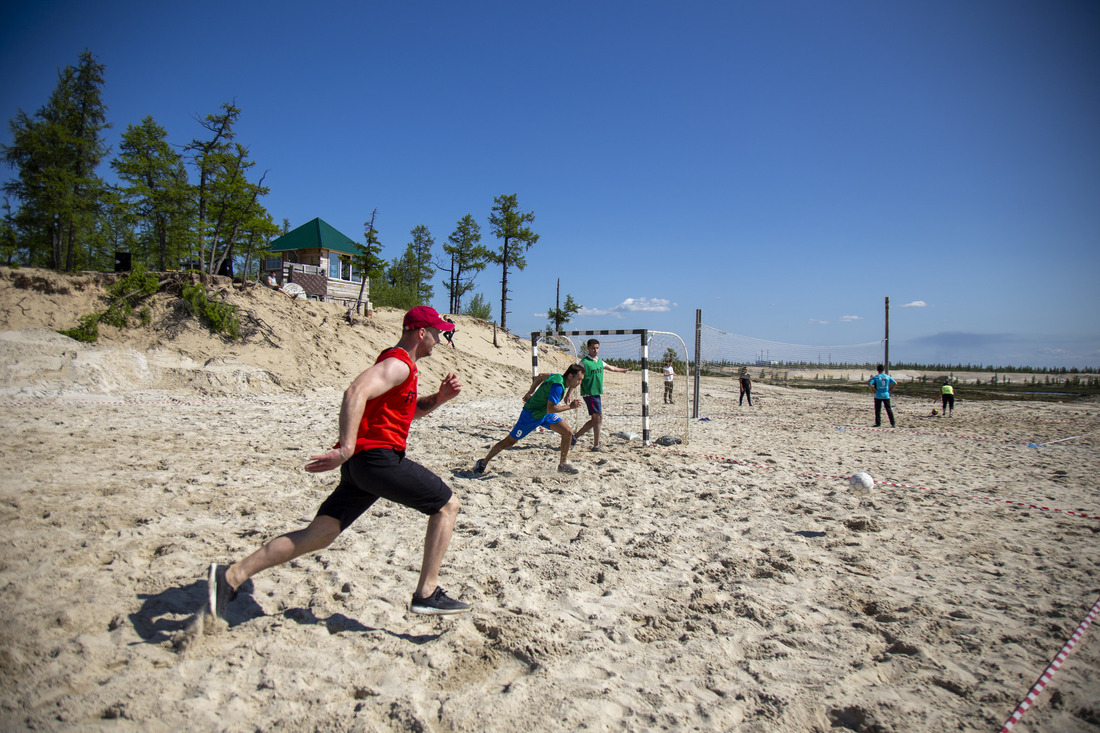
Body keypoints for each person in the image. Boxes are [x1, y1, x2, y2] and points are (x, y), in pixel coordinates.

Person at [207, 306, 471, 621]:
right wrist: (345, 447)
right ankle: (427, 593)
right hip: (376, 460)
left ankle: (230, 576)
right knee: (446, 506)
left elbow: (408, 411)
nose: (440, 341)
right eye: (438, 334)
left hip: (363, 466)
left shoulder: (405, 368)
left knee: (320, 534)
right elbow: (354, 391)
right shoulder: (398, 363)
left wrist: (439, 398)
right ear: (421, 332)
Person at [472, 365, 586, 475]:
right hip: (531, 415)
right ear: (570, 376)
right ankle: (483, 462)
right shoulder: (558, 386)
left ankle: (562, 465)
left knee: (568, 433)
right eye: (579, 379)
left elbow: (540, 376)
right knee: (509, 442)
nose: (579, 383)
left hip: (544, 414)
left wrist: (530, 391)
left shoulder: (556, 376)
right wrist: (570, 406)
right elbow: (551, 409)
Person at [572, 339, 630, 451]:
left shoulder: (599, 361)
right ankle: (595, 445)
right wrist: (569, 393)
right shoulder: (584, 362)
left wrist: (623, 370)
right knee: (598, 417)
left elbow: (611, 368)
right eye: (593, 348)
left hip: (597, 393)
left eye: (597, 348)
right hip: (589, 394)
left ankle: (576, 437)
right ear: (588, 348)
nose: (595, 350)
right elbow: (576, 378)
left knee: (597, 418)